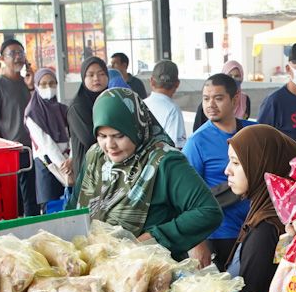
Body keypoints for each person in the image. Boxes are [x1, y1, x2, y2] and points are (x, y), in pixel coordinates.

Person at [77, 88, 221, 260]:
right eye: (102, 136)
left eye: (119, 135)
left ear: (136, 128)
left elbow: (208, 211)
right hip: (95, 266)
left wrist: (154, 238)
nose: (110, 145)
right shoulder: (96, 157)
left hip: (150, 271)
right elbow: (74, 207)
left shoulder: (164, 162)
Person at [224, 125, 296, 292]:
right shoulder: (272, 211)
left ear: (261, 165)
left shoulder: (266, 229)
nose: (227, 170)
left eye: (236, 162)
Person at [183, 73, 251, 270]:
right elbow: (185, 198)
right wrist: (198, 242)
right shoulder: (197, 142)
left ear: (235, 99)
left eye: (218, 98)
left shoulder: (252, 132)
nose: (210, 104)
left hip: (254, 229)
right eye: (206, 99)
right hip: (220, 234)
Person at [0, 39, 37, 216]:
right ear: (2, 58)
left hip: (32, 149)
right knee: (19, 202)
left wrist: (31, 88)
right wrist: (5, 147)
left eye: (21, 53)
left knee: (33, 199)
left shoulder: (25, 83)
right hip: (13, 153)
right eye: (12, 53)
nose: (18, 57)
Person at [25, 68, 72, 213]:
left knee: (70, 206)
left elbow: (73, 136)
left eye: (52, 83)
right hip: (47, 165)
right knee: (52, 208)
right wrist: (64, 167)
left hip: (69, 164)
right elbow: (46, 144)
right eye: (43, 84)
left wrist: (72, 159)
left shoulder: (64, 109)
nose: (48, 88)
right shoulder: (32, 113)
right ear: (36, 86)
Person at [67, 57, 109, 201]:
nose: (96, 78)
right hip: (89, 171)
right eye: (90, 75)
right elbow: (90, 139)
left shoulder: (111, 99)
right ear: (83, 78)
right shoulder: (78, 106)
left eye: (101, 73)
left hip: (110, 167)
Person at [192, 59, 249, 131]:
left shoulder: (245, 100)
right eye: (230, 75)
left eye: (237, 76)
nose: (211, 104)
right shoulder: (198, 139)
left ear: (234, 100)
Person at [146, 60, 187, 149]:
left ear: (151, 81)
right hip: (160, 161)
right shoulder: (173, 110)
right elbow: (177, 147)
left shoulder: (140, 104)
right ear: (177, 84)